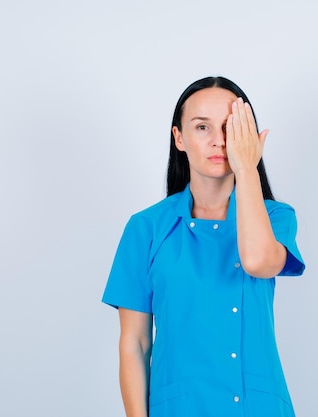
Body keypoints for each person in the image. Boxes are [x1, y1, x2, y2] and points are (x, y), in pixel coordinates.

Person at [102, 76, 305, 417]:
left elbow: (257, 261)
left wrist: (246, 169)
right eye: (202, 127)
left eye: (231, 128)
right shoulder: (147, 228)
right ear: (179, 138)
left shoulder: (276, 218)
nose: (219, 141)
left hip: (258, 407)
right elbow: (134, 345)